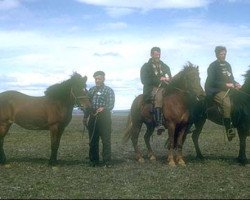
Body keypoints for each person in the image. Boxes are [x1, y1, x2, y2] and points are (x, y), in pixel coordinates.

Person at [205, 46, 241, 141]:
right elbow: (212, 81)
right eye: (221, 54)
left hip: (228, 89)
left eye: (224, 54)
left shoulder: (228, 65)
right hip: (215, 90)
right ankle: (228, 130)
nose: (223, 56)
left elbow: (231, 78)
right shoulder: (212, 66)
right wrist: (226, 85)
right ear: (217, 55)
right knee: (227, 103)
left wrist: (235, 83)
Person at [83, 71, 115, 167]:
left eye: (99, 78)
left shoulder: (109, 90)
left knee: (106, 140)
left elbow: (111, 103)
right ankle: (94, 161)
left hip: (104, 118)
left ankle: (107, 161)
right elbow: (87, 105)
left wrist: (104, 108)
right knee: (93, 140)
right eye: (96, 79)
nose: (97, 80)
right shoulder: (91, 90)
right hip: (93, 117)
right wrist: (85, 117)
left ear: (103, 79)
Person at [140, 47, 172, 134]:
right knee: (159, 96)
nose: (157, 56)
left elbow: (169, 77)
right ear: (151, 55)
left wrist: (168, 79)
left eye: (159, 54)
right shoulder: (145, 67)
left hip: (166, 86)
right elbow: (144, 80)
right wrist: (159, 79)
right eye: (155, 54)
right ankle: (159, 123)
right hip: (151, 88)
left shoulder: (165, 66)